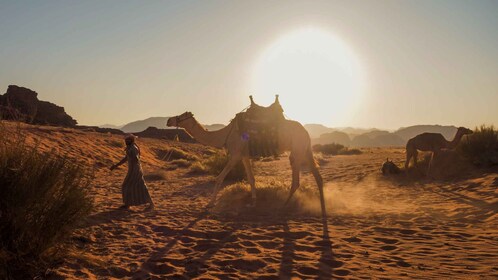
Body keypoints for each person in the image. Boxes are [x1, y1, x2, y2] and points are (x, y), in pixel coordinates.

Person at [110, 134, 155, 210]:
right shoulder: (130, 148)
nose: (126, 141)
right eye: (126, 140)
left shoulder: (133, 148)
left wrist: (135, 163)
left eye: (128, 140)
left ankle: (150, 204)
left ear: (132, 140)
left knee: (130, 185)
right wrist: (116, 165)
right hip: (133, 169)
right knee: (132, 186)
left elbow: (136, 158)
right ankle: (128, 204)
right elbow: (126, 158)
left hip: (135, 170)